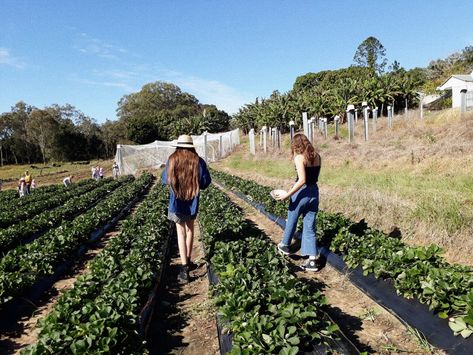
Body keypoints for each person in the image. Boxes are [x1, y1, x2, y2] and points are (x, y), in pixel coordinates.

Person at [162, 134, 211, 283]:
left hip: (176, 203)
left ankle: (184, 270)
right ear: (191, 146)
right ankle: (188, 262)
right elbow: (205, 182)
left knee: (181, 233)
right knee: (190, 231)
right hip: (192, 203)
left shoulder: (172, 159)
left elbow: (165, 180)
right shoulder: (198, 161)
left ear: (178, 145)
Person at [274, 133, 322, 272]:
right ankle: (312, 260)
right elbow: (313, 178)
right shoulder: (317, 156)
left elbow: (302, 180)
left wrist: (287, 195)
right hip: (314, 193)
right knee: (310, 226)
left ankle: (285, 245)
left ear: (296, 145)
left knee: (292, 220)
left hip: (302, 193)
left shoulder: (299, 158)